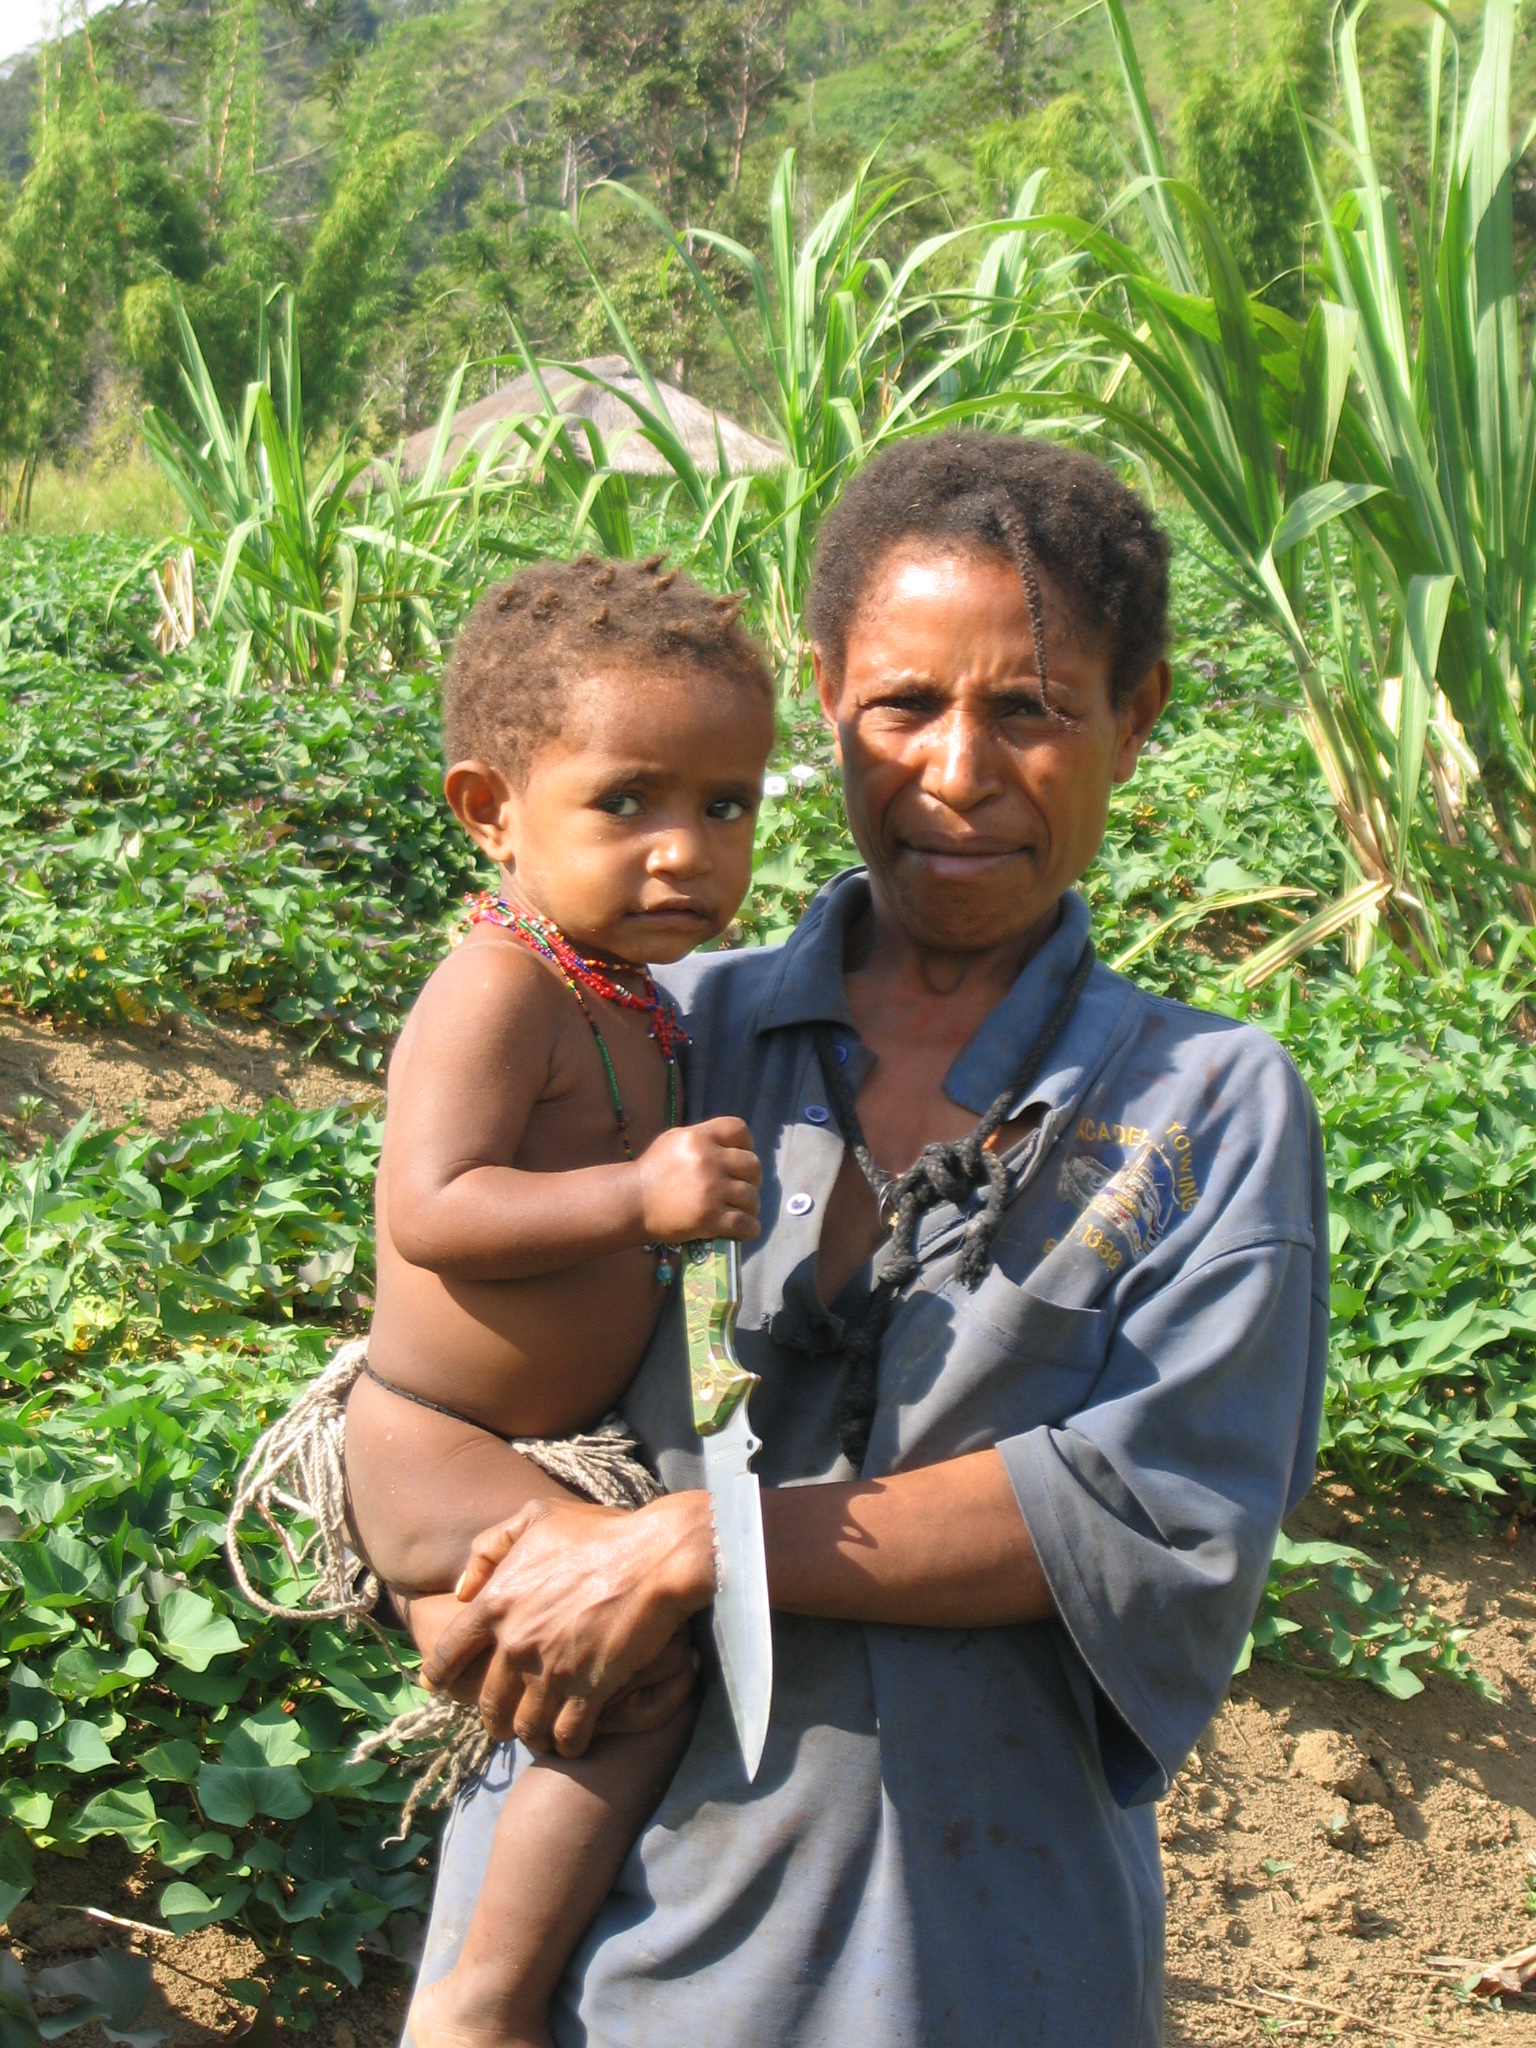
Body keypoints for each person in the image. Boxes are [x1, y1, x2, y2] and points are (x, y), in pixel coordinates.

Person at [400, 432, 1330, 2048]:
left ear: (1136, 719)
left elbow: (1155, 1506)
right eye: (904, 704)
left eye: (1032, 708)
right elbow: (433, 1362)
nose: (958, 770)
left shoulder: (1204, 1108)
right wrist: (449, 1583)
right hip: (602, 1952)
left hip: (976, 1957)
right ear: (827, 698)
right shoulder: (654, 1031)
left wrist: (707, 1543)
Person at [344, 554, 775, 2048]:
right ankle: (485, 2001)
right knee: (643, 1678)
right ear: (491, 810)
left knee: (588, 1668)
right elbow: (434, 1207)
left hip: (528, 1449)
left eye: (727, 805)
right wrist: (638, 1196)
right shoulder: (498, 989)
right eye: (628, 802)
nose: (686, 852)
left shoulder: (625, 991)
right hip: (439, 1442)